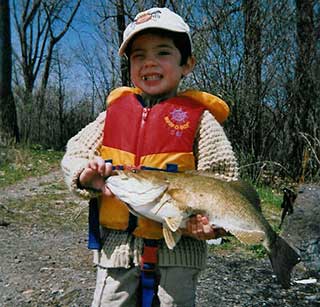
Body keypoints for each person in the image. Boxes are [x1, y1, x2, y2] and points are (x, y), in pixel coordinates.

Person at [61, 7, 238, 307]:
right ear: (129, 65)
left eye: (163, 52)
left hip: (181, 250)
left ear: (187, 64)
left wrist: (215, 224)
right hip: (116, 250)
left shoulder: (200, 121)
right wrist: (83, 173)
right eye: (139, 55)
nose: (150, 62)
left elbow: (224, 179)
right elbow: (74, 154)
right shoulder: (111, 117)